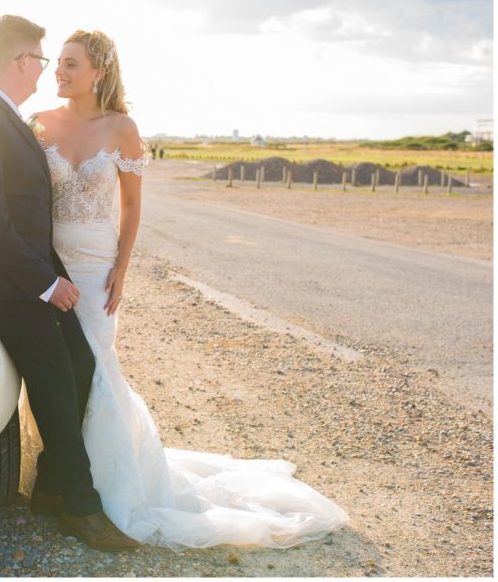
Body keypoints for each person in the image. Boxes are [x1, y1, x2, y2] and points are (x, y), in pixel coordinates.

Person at [24, 29, 350, 549]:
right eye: (57, 63)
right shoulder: (38, 123)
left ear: (98, 72)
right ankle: (59, 476)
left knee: (97, 376)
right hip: (49, 265)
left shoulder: (123, 128)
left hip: (96, 268)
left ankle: (97, 489)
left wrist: (122, 270)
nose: (57, 72)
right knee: (56, 372)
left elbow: (131, 206)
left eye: (70, 64)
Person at [0, 15, 140, 551]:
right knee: (52, 372)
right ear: (21, 61)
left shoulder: (2, 115)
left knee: (81, 361)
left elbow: (20, 214)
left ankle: (50, 486)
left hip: (15, 271)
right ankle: (81, 505)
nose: (45, 71)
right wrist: (45, 284)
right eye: (43, 60)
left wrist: (54, 278)